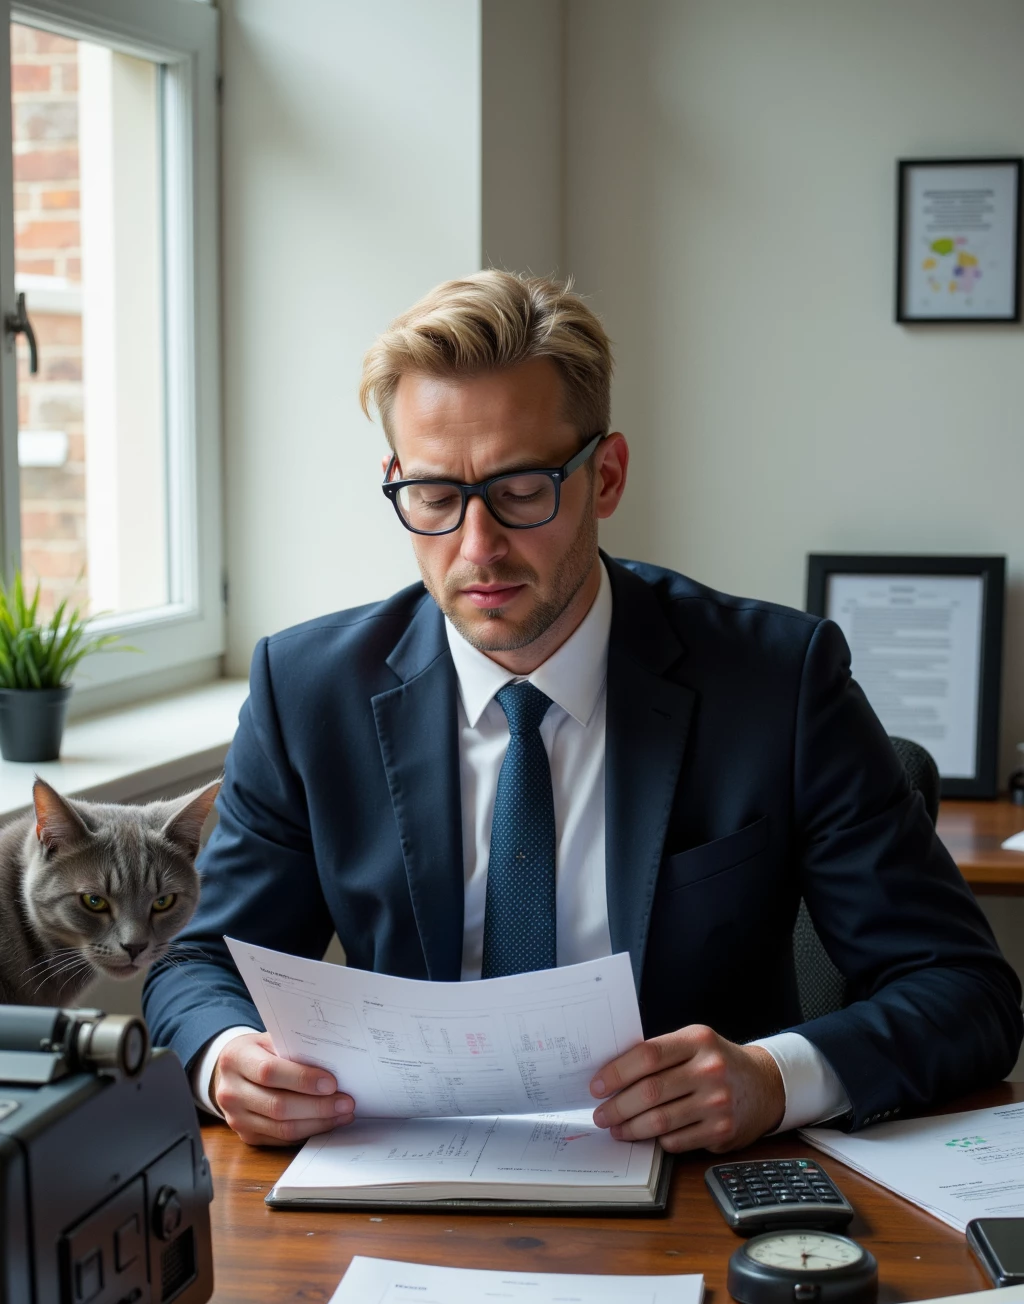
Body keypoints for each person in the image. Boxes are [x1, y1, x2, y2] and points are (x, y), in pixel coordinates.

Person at [143, 270, 1022, 1149]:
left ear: (605, 476)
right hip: (396, 1185)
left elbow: (963, 990)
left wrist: (772, 1077)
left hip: (696, 1193)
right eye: (437, 497)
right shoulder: (306, 692)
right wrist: (226, 1059)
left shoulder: (778, 683)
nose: (477, 548)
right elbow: (200, 965)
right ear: (396, 482)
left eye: (523, 490)